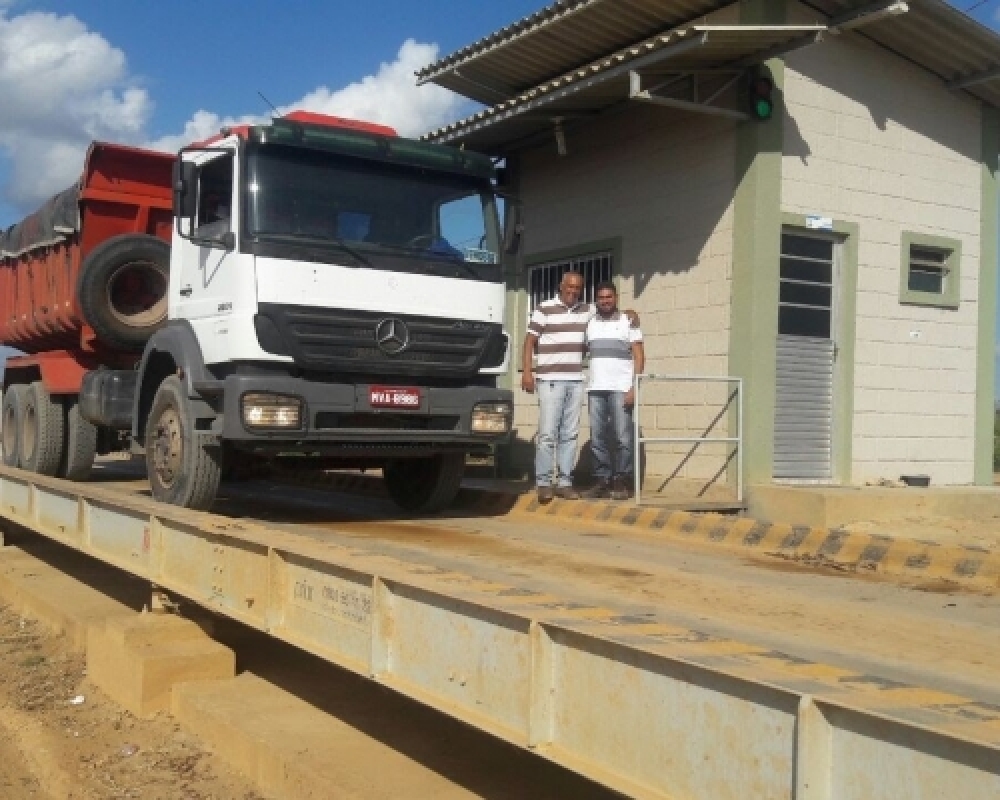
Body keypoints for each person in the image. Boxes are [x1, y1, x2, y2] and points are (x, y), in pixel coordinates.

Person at [521, 271, 638, 502]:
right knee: (547, 433)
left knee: (570, 434)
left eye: (577, 288)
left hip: (576, 380)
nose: (573, 291)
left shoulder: (587, 311)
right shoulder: (544, 309)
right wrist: (527, 371)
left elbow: (609, 309)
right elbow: (529, 341)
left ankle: (565, 482)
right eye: (570, 286)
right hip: (550, 379)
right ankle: (544, 482)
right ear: (561, 286)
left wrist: (630, 313)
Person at [584, 281, 644, 500]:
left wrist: (634, 387)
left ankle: (622, 480)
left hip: (621, 388)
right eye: (601, 297)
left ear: (616, 298)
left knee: (622, 437)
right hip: (596, 388)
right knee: (597, 437)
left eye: (609, 297)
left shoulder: (628, 322)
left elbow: (639, 356)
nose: (605, 301)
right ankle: (602, 479)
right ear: (596, 300)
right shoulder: (590, 324)